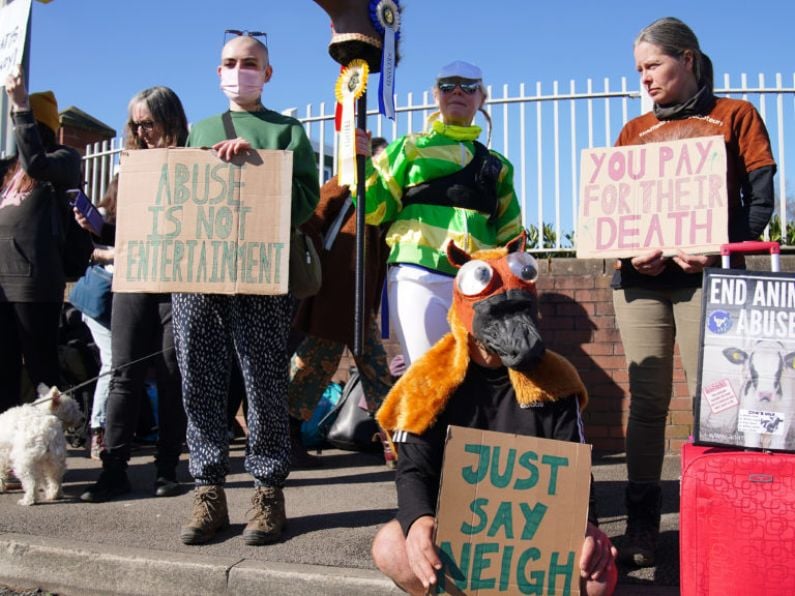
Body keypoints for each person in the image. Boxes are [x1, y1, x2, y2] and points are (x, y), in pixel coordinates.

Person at [611, 17, 776, 567]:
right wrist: (629, 253)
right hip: (641, 284)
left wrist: (724, 251)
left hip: (710, 278)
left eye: (654, 65)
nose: (646, 79)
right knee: (649, 403)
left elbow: (759, 200)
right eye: (639, 70)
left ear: (687, 58)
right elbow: (613, 214)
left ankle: (724, 519)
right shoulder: (634, 131)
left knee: (718, 403)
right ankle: (640, 527)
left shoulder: (737, 115)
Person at [372, 234, 617, 596]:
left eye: (520, 311)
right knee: (391, 546)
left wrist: (586, 527)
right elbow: (413, 470)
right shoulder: (428, 384)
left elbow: (575, 468)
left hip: (536, 533)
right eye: (499, 314)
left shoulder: (556, 380)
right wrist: (419, 519)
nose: (514, 328)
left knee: (598, 578)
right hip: (457, 528)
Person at [172, 32, 319, 546]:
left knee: (263, 382)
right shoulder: (199, 131)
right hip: (200, 277)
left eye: (250, 63)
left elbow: (304, 204)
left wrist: (256, 165)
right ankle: (208, 489)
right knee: (200, 380)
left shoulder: (288, 131)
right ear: (218, 72)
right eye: (231, 63)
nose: (241, 70)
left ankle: (267, 490)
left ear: (268, 73)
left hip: (262, 273)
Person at [357, 60, 523, 366]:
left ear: (481, 97)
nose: (457, 92)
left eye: (468, 87)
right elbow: (375, 210)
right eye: (448, 86)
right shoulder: (408, 149)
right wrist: (362, 163)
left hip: (479, 285)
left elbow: (510, 235)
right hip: (418, 276)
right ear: (436, 95)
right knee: (428, 376)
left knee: (477, 384)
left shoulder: (499, 166)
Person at [79, 86, 189, 502]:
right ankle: (114, 469)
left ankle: (167, 469)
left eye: (149, 123)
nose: (141, 132)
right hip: (132, 280)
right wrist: (95, 226)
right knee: (123, 376)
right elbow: (122, 231)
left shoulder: (191, 163)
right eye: (135, 125)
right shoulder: (128, 168)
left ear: (171, 120)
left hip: (176, 284)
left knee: (171, 375)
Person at [288, 137, 393, 468]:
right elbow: (313, 214)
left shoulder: (387, 197)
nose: (382, 167)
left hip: (360, 302)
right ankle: (282, 439)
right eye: (378, 160)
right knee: (311, 368)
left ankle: (398, 444)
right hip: (334, 294)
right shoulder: (346, 181)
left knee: (372, 372)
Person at [0, 66, 82, 415]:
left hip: (34, 286)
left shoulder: (63, 159)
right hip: (2, 285)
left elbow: (35, 162)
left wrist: (21, 105)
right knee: (3, 376)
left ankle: (51, 454)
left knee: (42, 377)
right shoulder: (6, 169)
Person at [79, 178, 117, 460]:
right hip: (100, 298)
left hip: (117, 299)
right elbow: (85, 251)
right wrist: (116, 253)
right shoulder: (102, 217)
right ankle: (98, 429)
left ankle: (114, 428)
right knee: (113, 362)